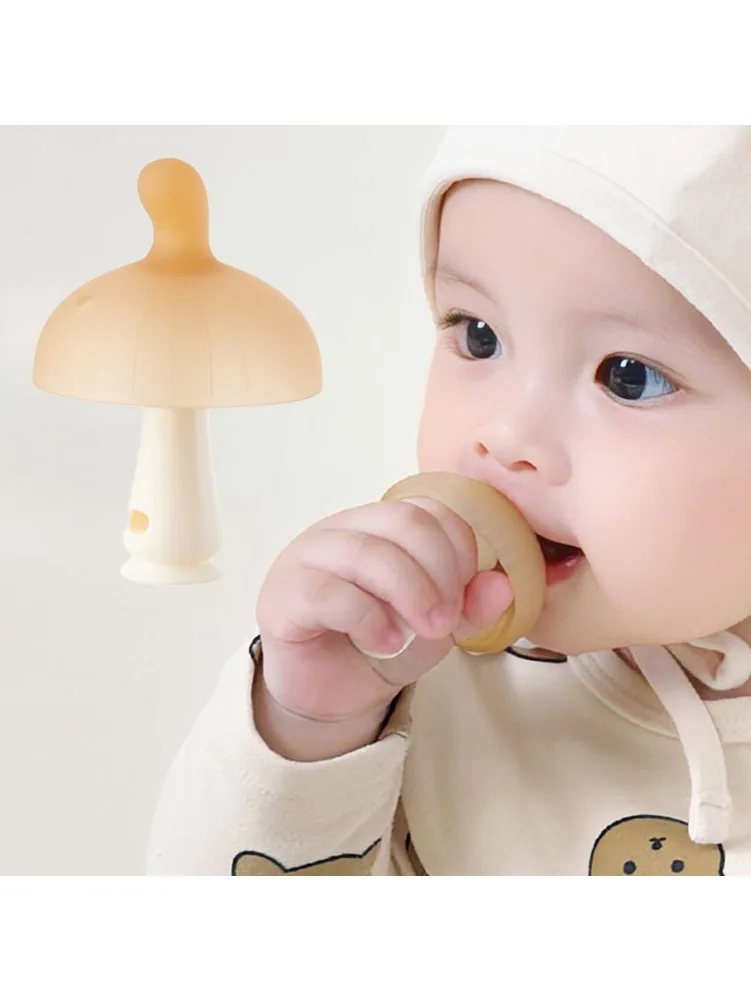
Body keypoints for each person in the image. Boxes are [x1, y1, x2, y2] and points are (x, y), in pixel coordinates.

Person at [146, 126, 751, 876]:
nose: (503, 436)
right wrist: (308, 727)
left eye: (627, 375)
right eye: (479, 335)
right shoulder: (402, 668)